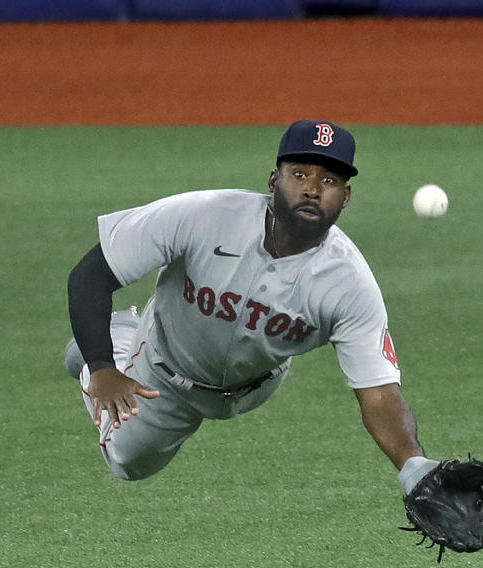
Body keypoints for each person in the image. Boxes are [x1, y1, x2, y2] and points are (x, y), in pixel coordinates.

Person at [65, 120, 439, 496]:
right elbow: (91, 275)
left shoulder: (349, 283)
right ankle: (115, 340)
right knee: (128, 461)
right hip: (165, 370)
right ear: (274, 181)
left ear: (345, 196)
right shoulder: (203, 216)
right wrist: (101, 369)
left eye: (328, 181)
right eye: (299, 174)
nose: (311, 189)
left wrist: (414, 467)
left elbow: (379, 392)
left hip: (256, 384)